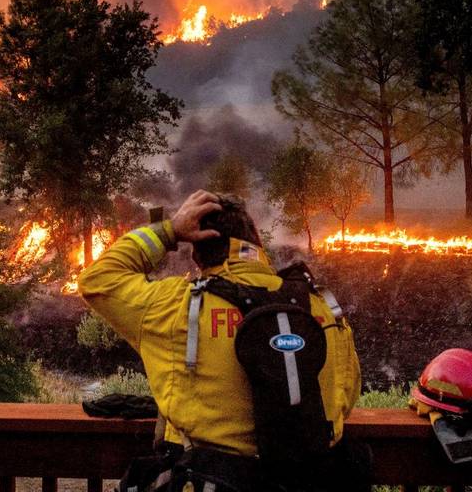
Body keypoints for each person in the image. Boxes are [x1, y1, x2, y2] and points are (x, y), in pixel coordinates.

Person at [78, 190, 364, 492]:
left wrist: (170, 230)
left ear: (197, 254)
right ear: (258, 245)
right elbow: (346, 397)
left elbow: (98, 279)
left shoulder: (176, 306)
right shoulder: (321, 307)